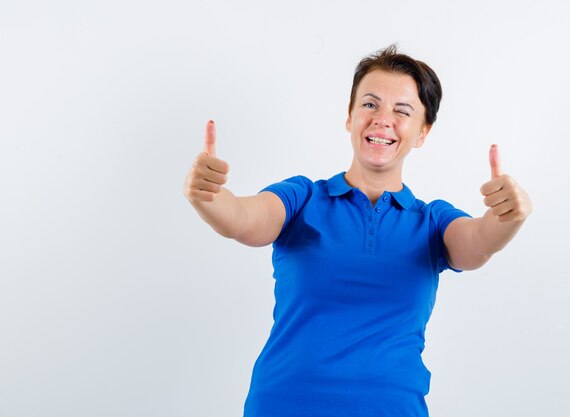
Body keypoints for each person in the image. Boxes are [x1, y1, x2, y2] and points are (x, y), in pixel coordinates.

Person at [183, 45, 532, 417]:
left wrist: (507, 217)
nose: (383, 120)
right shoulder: (302, 198)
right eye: (370, 104)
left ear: (423, 132)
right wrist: (210, 197)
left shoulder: (432, 221)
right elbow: (242, 219)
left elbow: (477, 244)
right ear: (349, 117)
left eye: (402, 111)